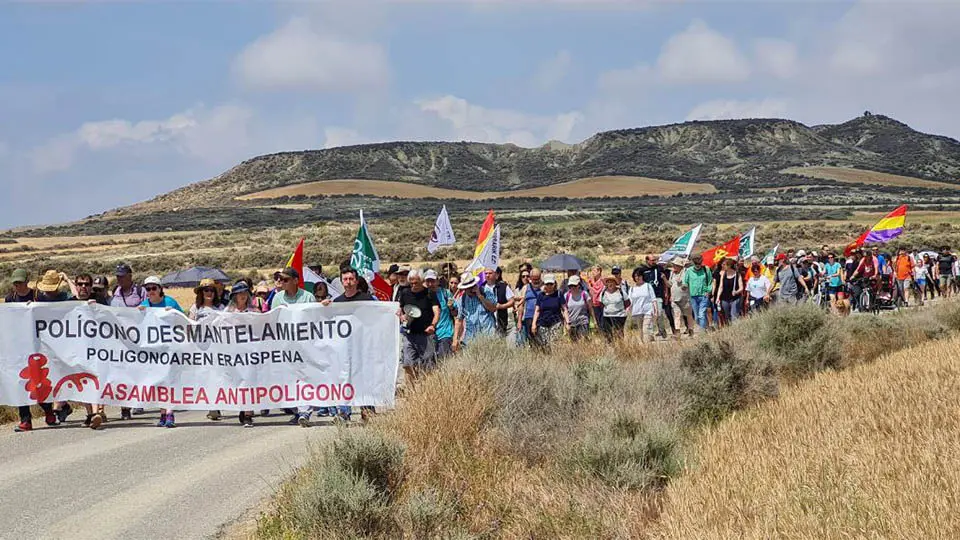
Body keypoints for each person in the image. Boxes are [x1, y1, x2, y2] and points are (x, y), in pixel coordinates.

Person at [8, 269, 58, 433]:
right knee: (20, 383)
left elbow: (51, 313)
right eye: (15, 283)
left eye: (20, 282)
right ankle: (25, 420)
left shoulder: (38, 296)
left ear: (27, 281)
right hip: (18, 347)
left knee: (39, 381)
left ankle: (49, 411)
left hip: (38, 346)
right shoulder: (10, 299)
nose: (18, 286)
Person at [329, 267, 377, 423]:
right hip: (344, 350)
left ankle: (367, 411)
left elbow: (379, 317)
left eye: (351, 279)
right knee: (344, 379)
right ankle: (344, 412)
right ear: (341, 281)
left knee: (364, 379)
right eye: (345, 279)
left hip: (363, 348)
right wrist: (323, 308)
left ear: (356, 280)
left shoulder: (367, 299)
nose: (348, 282)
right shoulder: (337, 302)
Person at [136, 276, 184, 428]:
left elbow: (182, 320)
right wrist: (138, 314)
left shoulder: (170, 302)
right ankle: (162, 413)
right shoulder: (144, 305)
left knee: (169, 381)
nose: (151, 292)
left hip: (170, 348)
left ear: (160, 289)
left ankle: (169, 413)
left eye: (153, 288)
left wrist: (174, 314)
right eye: (147, 289)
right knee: (159, 383)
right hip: (153, 351)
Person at [398, 270, 440, 385]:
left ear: (422, 281)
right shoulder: (405, 293)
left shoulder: (429, 294)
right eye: (411, 283)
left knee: (428, 365)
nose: (413, 286)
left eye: (416, 283)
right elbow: (400, 309)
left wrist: (433, 325)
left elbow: (436, 311)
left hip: (426, 335)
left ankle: (427, 391)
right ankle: (411, 392)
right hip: (409, 334)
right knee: (407, 364)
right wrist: (401, 316)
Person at [225, 281, 258, 427]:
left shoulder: (255, 311)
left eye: (245, 292)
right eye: (239, 293)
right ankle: (242, 408)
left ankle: (248, 414)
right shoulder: (228, 313)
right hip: (234, 353)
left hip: (251, 353)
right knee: (238, 382)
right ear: (234, 296)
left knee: (249, 381)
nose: (243, 295)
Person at [453, 272, 497, 351]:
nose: (470, 289)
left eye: (471, 286)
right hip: (470, 339)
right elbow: (459, 320)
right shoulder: (462, 299)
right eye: (467, 288)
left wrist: (480, 296)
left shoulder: (486, 291)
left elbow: (493, 308)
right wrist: (455, 339)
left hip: (488, 335)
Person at [425, 269, 456, 360]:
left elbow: (455, 313)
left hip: (445, 333)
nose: (430, 284)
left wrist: (451, 307)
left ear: (438, 281)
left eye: (433, 281)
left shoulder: (446, 293)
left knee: (444, 360)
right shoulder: (423, 294)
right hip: (429, 334)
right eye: (428, 281)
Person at [531, 274, 565, 349]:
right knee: (545, 345)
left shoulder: (559, 294)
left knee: (555, 344)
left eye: (551, 284)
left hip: (556, 322)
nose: (549, 286)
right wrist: (534, 324)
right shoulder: (541, 295)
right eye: (547, 284)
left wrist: (567, 322)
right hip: (543, 322)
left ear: (554, 284)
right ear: (544, 284)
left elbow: (564, 309)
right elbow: (537, 311)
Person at [683, 255, 712, 330]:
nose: (698, 265)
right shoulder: (689, 271)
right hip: (693, 296)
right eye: (696, 264)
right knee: (696, 317)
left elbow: (710, 281)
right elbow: (685, 281)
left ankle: (702, 332)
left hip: (704, 295)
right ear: (693, 263)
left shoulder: (706, 269)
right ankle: (706, 327)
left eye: (699, 263)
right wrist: (684, 286)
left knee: (701, 314)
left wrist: (708, 291)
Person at [628, 269, 657, 343]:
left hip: (647, 311)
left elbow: (653, 299)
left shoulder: (647, 286)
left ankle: (647, 345)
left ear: (642, 276)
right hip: (636, 312)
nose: (637, 277)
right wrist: (628, 310)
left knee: (645, 329)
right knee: (638, 331)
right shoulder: (632, 289)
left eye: (639, 276)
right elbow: (630, 302)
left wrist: (655, 311)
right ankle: (642, 346)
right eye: (635, 276)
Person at [485, 267, 515, 337]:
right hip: (487, 324)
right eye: (486, 273)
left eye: (490, 273)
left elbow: (512, 301)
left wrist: (502, 306)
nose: (487, 275)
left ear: (496, 275)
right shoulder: (482, 288)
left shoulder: (503, 287)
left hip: (501, 322)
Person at [668, 258, 694, 338]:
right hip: (674, 298)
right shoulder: (672, 273)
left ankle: (691, 329)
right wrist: (665, 279)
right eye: (673, 265)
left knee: (688, 315)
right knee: (676, 315)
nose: (673, 266)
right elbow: (670, 284)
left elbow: (689, 284)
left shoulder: (686, 272)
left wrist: (684, 285)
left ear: (680, 266)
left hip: (685, 298)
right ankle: (678, 332)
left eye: (675, 265)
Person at [516, 269, 543, 345]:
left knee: (541, 339)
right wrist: (519, 321)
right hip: (529, 317)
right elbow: (521, 305)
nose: (536, 281)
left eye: (537, 278)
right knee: (531, 340)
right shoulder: (526, 288)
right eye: (534, 279)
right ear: (530, 278)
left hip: (541, 317)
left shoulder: (544, 287)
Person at [563, 275, 593, 341]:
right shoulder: (566, 295)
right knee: (574, 343)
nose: (572, 287)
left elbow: (590, 308)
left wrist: (594, 321)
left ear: (579, 285)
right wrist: (566, 324)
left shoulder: (584, 294)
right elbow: (564, 311)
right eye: (570, 286)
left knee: (583, 341)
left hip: (583, 321)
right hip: (571, 323)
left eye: (574, 285)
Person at [713, 258, 743, 325]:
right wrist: (718, 297)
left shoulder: (737, 274)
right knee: (727, 316)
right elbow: (721, 287)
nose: (722, 266)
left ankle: (736, 330)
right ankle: (729, 330)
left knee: (734, 315)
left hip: (735, 298)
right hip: (724, 299)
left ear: (729, 266)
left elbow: (741, 288)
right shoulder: (723, 274)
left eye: (724, 265)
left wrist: (736, 292)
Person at [599, 275, 629, 341]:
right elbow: (601, 304)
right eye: (608, 282)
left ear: (615, 283)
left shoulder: (621, 292)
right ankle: (610, 348)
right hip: (607, 316)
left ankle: (620, 347)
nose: (610, 283)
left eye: (611, 281)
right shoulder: (603, 293)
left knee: (619, 333)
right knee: (608, 334)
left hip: (619, 315)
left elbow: (627, 302)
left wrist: (624, 310)